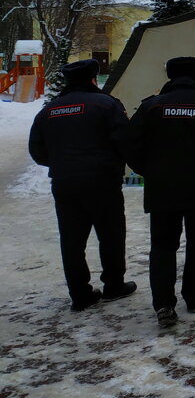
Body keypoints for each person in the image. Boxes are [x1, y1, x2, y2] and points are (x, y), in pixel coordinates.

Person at [124, 57, 195, 328]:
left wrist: (148, 169)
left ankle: (164, 304)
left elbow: (129, 144)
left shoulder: (151, 106)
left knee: (162, 245)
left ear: (170, 75)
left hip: (162, 188)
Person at [28, 58, 137, 311]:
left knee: (72, 239)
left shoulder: (49, 110)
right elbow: (126, 141)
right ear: (92, 79)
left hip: (65, 183)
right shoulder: (108, 105)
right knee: (110, 234)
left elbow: (37, 149)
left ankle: (79, 294)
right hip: (102, 180)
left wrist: (63, 164)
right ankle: (113, 285)